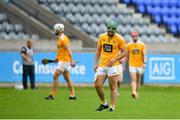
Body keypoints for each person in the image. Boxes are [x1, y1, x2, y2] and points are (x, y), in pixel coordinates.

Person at [94, 20, 126, 112]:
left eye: (112, 31)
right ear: (107, 29)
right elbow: (98, 51)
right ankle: (104, 103)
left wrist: (114, 59)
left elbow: (124, 53)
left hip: (113, 66)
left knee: (113, 87)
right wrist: (95, 63)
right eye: (109, 31)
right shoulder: (101, 37)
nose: (110, 33)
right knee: (97, 85)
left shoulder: (120, 39)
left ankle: (112, 106)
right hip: (102, 65)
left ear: (115, 30)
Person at [45, 23, 76, 100]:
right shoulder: (61, 38)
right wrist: (57, 58)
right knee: (67, 78)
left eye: (55, 30)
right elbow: (61, 51)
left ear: (58, 30)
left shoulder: (63, 39)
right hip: (63, 60)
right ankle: (72, 95)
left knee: (55, 76)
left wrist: (72, 60)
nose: (54, 31)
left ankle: (52, 95)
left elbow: (68, 50)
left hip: (64, 61)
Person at [126, 31, 146, 99]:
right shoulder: (128, 45)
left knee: (138, 80)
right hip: (132, 65)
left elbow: (144, 54)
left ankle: (136, 92)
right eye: (133, 36)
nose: (135, 37)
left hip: (139, 65)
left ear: (138, 36)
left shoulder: (142, 44)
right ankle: (133, 92)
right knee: (133, 79)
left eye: (136, 36)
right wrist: (123, 63)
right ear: (132, 37)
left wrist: (144, 62)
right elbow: (126, 55)